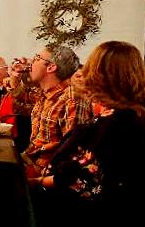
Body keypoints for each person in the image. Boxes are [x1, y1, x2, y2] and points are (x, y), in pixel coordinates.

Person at [32, 42, 145, 227]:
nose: (85, 73)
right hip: (118, 218)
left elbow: (85, 180)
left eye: (91, 67)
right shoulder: (123, 115)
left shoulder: (120, 122)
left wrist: (39, 182)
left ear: (103, 75)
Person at [20, 45, 92, 177]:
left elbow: (72, 152)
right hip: (29, 162)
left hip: (43, 174)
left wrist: (39, 177)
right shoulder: (45, 93)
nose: (31, 62)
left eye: (37, 58)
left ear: (51, 67)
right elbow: (19, 95)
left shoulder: (72, 99)